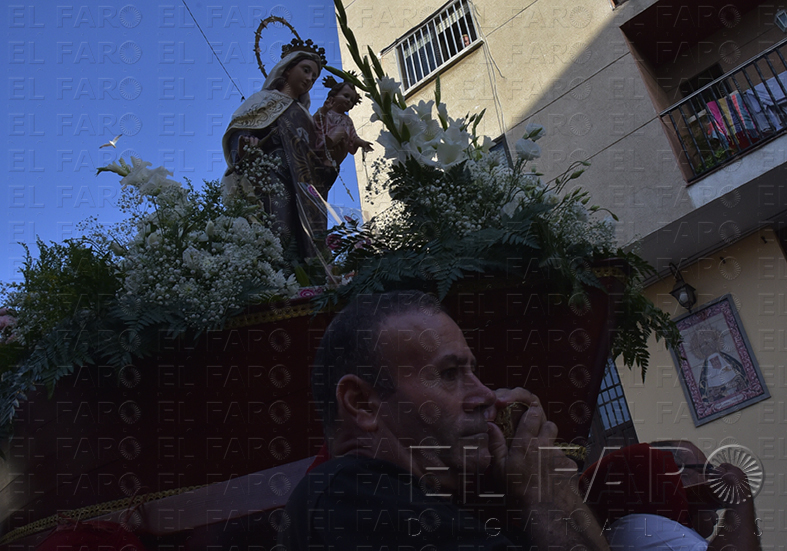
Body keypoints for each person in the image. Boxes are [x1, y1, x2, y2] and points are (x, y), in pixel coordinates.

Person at [277, 290, 610, 550]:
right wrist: (542, 494)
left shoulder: (424, 499)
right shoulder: (349, 499)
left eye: (473, 371)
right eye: (449, 373)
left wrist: (555, 490)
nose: (486, 395)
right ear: (362, 403)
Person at [221, 41, 332, 261]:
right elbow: (239, 131)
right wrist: (245, 147)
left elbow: (315, 156)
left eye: (314, 77)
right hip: (271, 175)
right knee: (279, 231)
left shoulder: (307, 117)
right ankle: (275, 275)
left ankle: (303, 276)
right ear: (288, 69)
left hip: (303, 186)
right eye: (306, 70)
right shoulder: (263, 100)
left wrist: (329, 161)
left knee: (308, 242)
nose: (309, 79)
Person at [580, 442, 760, 551]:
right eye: (708, 471)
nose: (713, 480)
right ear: (677, 476)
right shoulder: (645, 529)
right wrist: (740, 498)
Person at [313, 76, 374, 174]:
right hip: (320, 144)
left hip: (338, 151)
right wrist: (324, 109)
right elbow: (315, 122)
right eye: (346, 96)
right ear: (334, 96)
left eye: (351, 100)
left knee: (342, 132)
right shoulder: (326, 111)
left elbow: (353, 137)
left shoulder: (348, 121)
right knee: (341, 130)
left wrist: (362, 143)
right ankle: (328, 143)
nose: (348, 100)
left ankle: (329, 158)